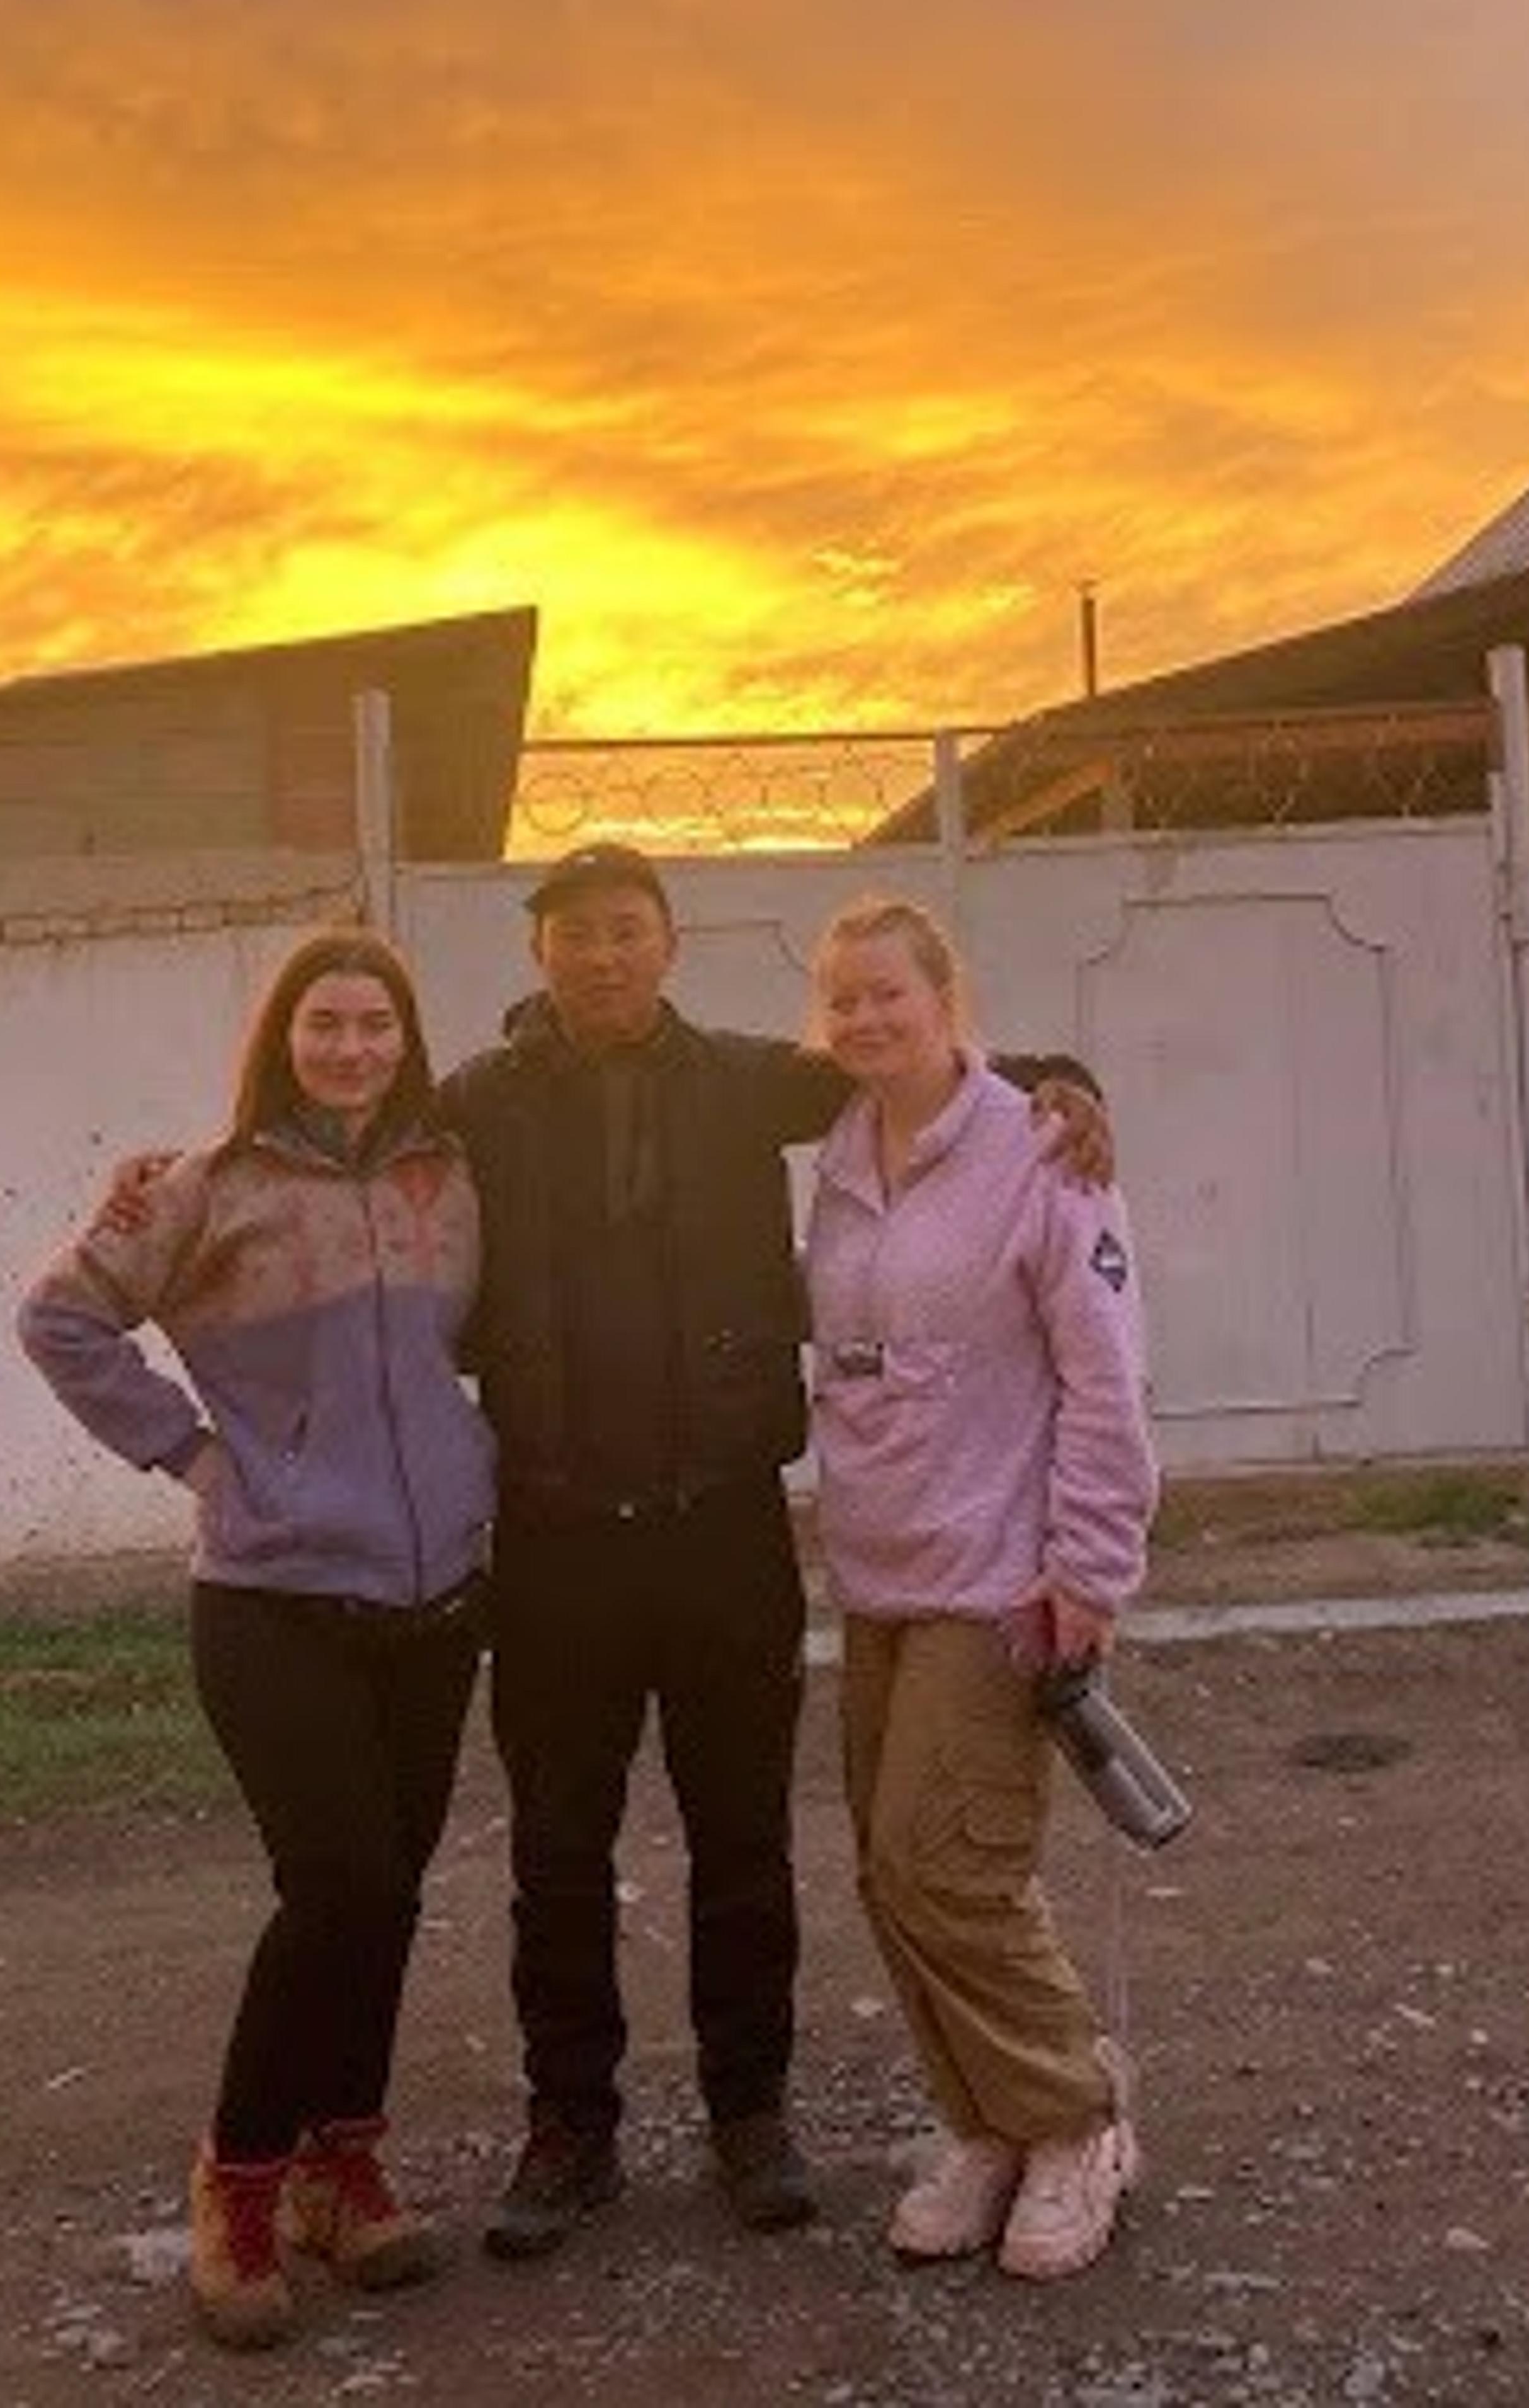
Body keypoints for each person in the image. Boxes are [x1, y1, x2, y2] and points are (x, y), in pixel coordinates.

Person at [450, 843, 1112, 2263]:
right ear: (540, 953)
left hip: (722, 1530)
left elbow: (917, 1065)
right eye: (577, 934)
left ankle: (752, 2116)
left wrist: (1064, 1081)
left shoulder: (748, 1081)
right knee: (558, 1850)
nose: (604, 956)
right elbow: (353, 1131)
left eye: (627, 930)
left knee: (744, 1841)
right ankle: (569, 2129)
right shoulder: (480, 1103)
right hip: (556, 1539)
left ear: (669, 943)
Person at [14, 928, 492, 2351]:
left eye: (376, 1025)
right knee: (338, 1884)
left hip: (436, 1597)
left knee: (389, 1897)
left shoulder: (455, 1174)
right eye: (324, 1023)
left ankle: (345, 2170)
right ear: (283, 1036)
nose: (351, 1048)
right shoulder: (203, 1188)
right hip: (275, 1598)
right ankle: (238, 2181)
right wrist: (191, 1453)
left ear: (407, 1040)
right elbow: (60, 1319)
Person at [802, 894, 1158, 2285]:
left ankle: (1076, 2122)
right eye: (843, 999)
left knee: (952, 1865)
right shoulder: (842, 1157)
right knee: (891, 1876)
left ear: (946, 996)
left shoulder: (1043, 1151)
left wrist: (1091, 1569)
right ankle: (988, 2125)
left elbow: (1105, 1377)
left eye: (888, 991)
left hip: (1001, 1578)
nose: (866, 1018)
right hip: (880, 1575)